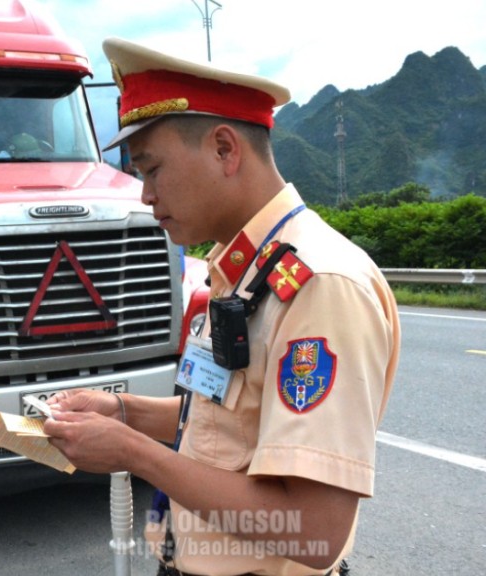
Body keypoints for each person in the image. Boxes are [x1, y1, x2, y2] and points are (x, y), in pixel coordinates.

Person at [43, 38, 400, 576]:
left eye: (152, 169)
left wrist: (134, 453)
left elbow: (313, 529)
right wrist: (124, 413)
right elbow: (224, 420)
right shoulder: (241, 267)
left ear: (225, 150)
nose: (145, 195)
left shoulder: (319, 284)